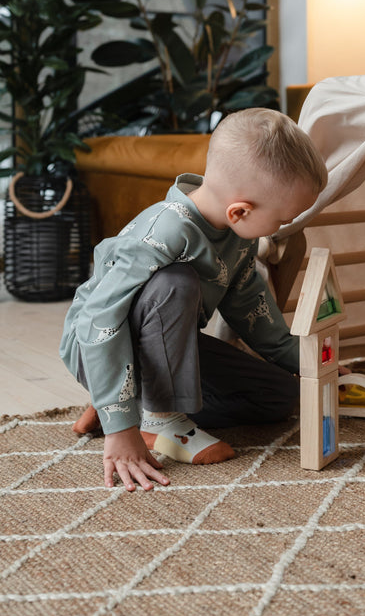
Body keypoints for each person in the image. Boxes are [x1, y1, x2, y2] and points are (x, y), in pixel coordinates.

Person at [60, 108, 327, 493]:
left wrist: (309, 363)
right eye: (282, 220)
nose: (283, 228)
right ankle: (152, 416)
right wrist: (121, 430)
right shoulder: (164, 231)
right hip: (97, 341)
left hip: (168, 351)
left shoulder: (238, 232)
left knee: (280, 397)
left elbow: (251, 306)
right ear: (241, 210)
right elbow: (97, 320)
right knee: (176, 282)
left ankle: (132, 403)